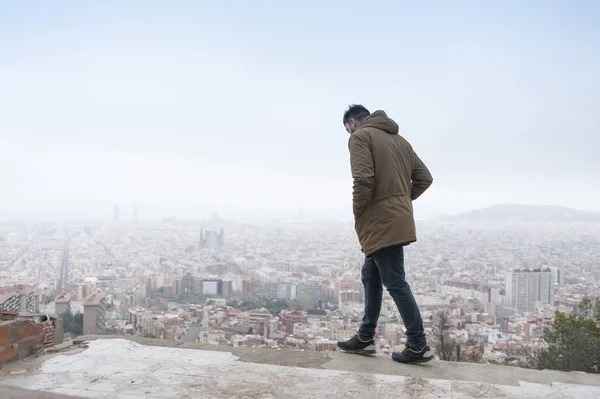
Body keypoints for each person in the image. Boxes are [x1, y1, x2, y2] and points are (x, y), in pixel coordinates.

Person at [337, 104, 434, 364]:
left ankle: (418, 344)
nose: (349, 134)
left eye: (347, 130)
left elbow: (364, 178)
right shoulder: (401, 141)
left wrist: (360, 211)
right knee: (370, 274)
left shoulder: (360, 137)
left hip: (380, 221)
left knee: (395, 282)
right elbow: (425, 178)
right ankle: (366, 337)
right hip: (397, 219)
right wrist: (400, 201)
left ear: (354, 123)